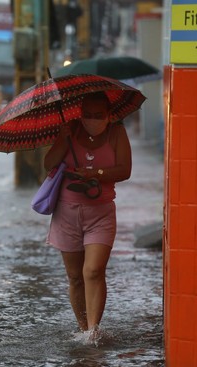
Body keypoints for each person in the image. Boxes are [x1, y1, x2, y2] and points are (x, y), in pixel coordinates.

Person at [43, 91, 132, 343]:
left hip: (101, 213)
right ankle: (83, 328)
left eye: (99, 115)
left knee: (93, 271)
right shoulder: (71, 130)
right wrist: (63, 139)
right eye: (88, 115)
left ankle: (93, 331)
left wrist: (95, 173)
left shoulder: (117, 133)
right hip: (67, 213)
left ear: (109, 115)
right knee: (74, 276)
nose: (93, 120)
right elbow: (48, 163)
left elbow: (125, 170)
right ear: (80, 114)